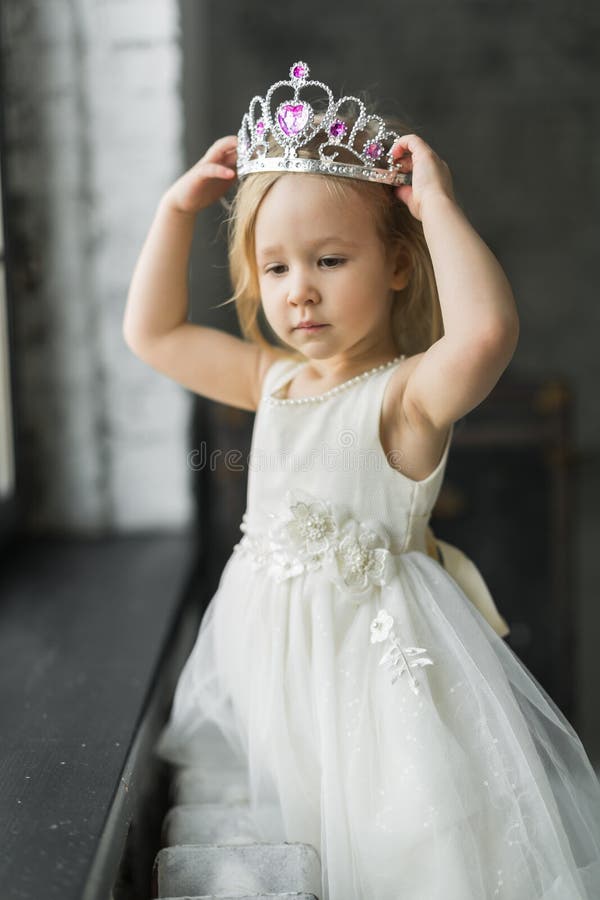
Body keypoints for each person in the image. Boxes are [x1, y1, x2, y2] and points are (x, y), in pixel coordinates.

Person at [124, 61, 600, 900]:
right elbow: (155, 333)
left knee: (391, 859)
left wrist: (438, 208)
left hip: (376, 695)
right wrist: (174, 210)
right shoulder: (269, 382)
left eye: (330, 259)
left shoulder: (406, 398)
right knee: (294, 840)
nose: (299, 289)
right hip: (269, 678)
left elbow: (486, 331)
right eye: (274, 269)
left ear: (399, 266)